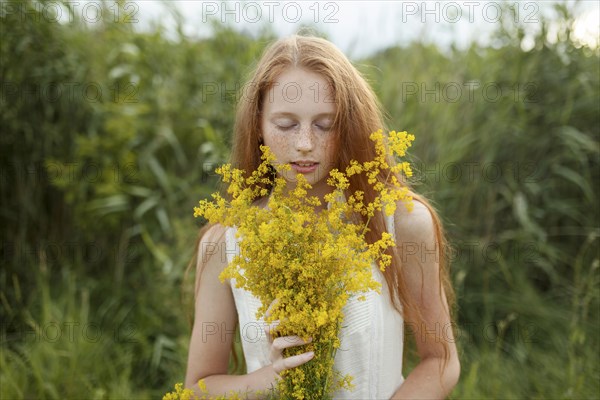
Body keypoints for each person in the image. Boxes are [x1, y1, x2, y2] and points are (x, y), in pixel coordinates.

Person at [185, 34, 460, 399]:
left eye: (325, 124)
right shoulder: (225, 241)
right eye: (285, 124)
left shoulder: (400, 223)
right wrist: (272, 379)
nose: (304, 143)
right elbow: (199, 387)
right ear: (259, 127)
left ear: (350, 124)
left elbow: (440, 360)